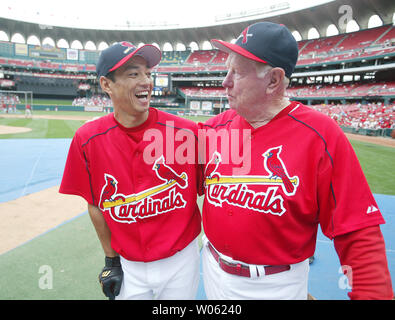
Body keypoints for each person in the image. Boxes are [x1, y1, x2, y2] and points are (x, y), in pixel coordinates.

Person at [199, 22, 393, 300]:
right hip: (213, 272)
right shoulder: (215, 128)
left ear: (274, 80)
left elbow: (357, 233)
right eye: (226, 70)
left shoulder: (320, 135)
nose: (225, 82)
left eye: (237, 73)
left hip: (273, 285)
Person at [59, 41, 202, 300]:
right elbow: (95, 204)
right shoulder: (87, 139)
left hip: (182, 260)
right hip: (129, 265)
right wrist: (111, 260)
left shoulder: (186, 133)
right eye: (133, 74)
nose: (146, 81)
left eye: (148, 73)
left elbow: (217, 188)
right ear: (106, 84)